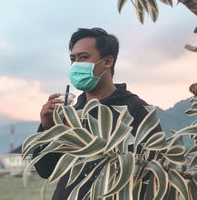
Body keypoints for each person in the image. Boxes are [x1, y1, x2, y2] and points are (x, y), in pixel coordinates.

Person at [33, 27, 162, 199]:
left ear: (108, 61)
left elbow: (155, 170)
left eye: (83, 57)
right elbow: (46, 170)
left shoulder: (135, 108)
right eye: (73, 59)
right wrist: (47, 128)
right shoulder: (72, 112)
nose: (76, 64)